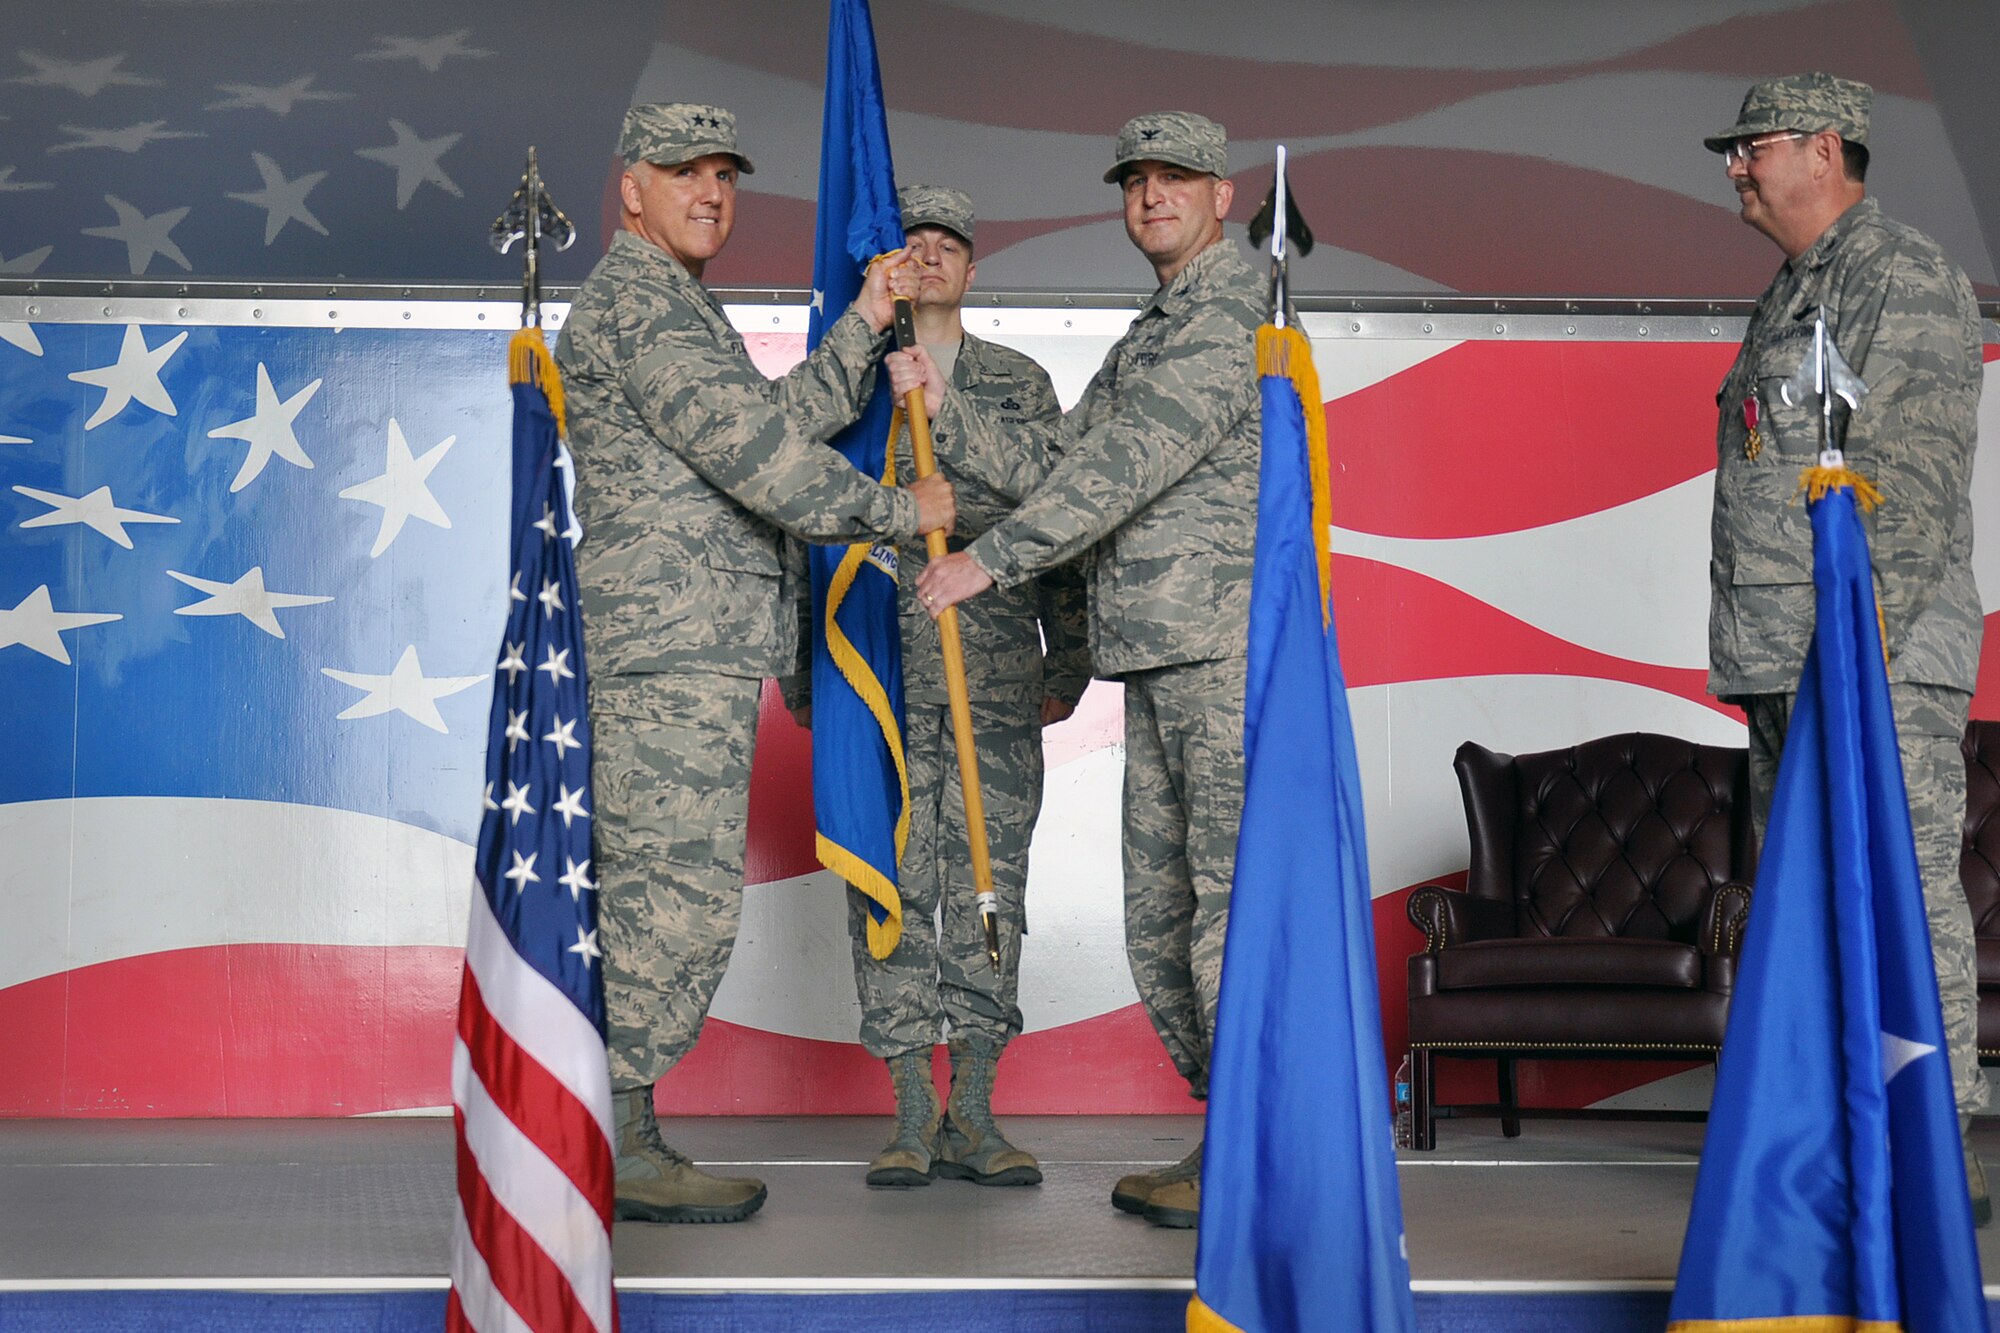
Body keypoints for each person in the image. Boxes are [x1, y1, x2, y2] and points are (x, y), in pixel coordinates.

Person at [555, 102, 955, 1225]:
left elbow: (764, 422)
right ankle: (614, 1141)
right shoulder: (641, 303)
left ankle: (615, 1128)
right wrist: (894, 507)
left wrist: (865, 320)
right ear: (630, 187)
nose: (711, 192)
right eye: (684, 172)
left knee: (665, 890)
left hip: (693, 643)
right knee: (663, 899)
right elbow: (762, 462)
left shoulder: (673, 304)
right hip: (668, 649)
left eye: (724, 173)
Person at [899, 112, 1266, 1229]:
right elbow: (1052, 460)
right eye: (1135, 181)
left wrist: (987, 562)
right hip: (1160, 651)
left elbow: (1116, 467)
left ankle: (1254, 1148)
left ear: (1223, 195)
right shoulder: (1160, 323)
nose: (1150, 196)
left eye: (1175, 180)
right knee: (1167, 909)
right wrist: (943, 397)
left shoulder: (1224, 311)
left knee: (1223, 907)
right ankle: (1230, 1144)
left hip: (1220, 648)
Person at [1703, 72, 1989, 1222]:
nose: (1732, 165)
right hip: (1789, 656)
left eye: (1751, 145)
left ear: (1825, 149)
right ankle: (1830, 1136)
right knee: (1808, 902)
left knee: (1902, 896)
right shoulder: (1795, 289)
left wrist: (1857, 654)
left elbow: (1908, 478)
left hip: (1869, 657)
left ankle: (1928, 1150)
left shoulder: (1898, 274)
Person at [846, 184, 1090, 1192]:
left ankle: (975, 1109)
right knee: (887, 884)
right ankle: (910, 1113)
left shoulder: (1016, 381)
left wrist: (1066, 659)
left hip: (990, 674)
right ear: (892, 268)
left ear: (972, 269)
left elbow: (1063, 506)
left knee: (994, 886)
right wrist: (812, 687)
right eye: (915, 245)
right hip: (881, 675)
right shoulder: (848, 386)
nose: (932, 257)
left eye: (950, 245)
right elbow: (801, 536)